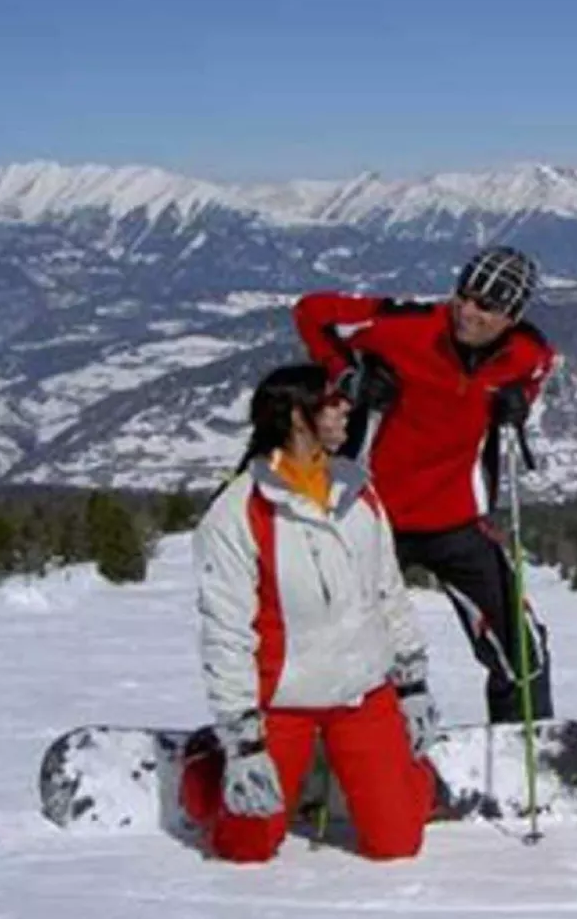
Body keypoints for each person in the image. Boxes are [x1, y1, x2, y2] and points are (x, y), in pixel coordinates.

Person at [181, 362, 439, 863]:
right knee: (247, 848)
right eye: (331, 401)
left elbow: (388, 591)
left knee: (397, 844)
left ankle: (403, 776)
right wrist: (242, 744)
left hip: (361, 691)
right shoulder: (238, 514)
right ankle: (203, 769)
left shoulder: (358, 492)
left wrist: (411, 683)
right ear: (298, 418)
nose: (346, 408)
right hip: (283, 700)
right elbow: (227, 633)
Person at [291, 245, 558, 725]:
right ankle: (337, 756)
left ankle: (525, 754)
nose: (468, 312)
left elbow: (537, 370)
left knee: (523, 650)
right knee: (346, 648)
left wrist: (520, 399)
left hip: (458, 522)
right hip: (373, 517)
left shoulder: (526, 352)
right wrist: (347, 376)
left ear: (512, 316)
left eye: (487, 306)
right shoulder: (404, 327)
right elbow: (311, 312)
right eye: (464, 296)